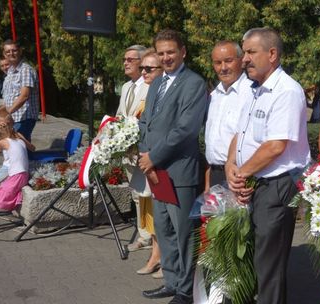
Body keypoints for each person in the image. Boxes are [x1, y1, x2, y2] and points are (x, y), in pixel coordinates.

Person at [226, 27, 310, 304]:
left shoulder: (287, 91)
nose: (244, 59)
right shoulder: (253, 90)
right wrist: (230, 165)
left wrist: (242, 172)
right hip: (252, 182)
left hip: (276, 186)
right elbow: (241, 134)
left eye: (251, 52)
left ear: (272, 54)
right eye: (244, 52)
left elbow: (276, 146)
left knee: (269, 267)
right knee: (250, 258)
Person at [139, 29, 207, 304]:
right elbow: (146, 122)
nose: (166, 57)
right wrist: (145, 155)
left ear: (182, 52)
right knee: (164, 230)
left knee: (183, 235)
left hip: (178, 170)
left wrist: (153, 157)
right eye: (161, 53)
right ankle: (171, 280)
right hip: (155, 171)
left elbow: (185, 129)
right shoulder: (156, 83)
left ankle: (185, 290)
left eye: (171, 52)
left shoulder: (193, 83)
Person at [116, 45, 154, 254]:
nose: (126, 62)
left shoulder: (150, 85)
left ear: (142, 62)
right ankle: (143, 232)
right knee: (136, 194)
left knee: (148, 194)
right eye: (125, 58)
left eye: (131, 59)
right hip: (127, 150)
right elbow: (120, 115)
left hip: (144, 150)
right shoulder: (125, 87)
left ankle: (149, 235)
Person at [131, 49, 164, 279]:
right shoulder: (150, 92)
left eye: (149, 68)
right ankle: (155, 254)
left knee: (161, 214)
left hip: (159, 162)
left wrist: (151, 157)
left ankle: (161, 258)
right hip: (145, 161)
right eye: (142, 68)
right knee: (149, 210)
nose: (143, 72)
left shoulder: (164, 93)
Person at [204, 40, 253, 191]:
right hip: (215, 175)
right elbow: (210, 145)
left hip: (240, 175)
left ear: (241, 61)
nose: (223, 68)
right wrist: (207, 184)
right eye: (218, 63)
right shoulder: (213, 96)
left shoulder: (251, 92)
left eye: (228, 61)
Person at [0, 121, 29, 228]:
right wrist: (21, 138)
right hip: (19, 174)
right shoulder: (19, 139)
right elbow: (32, 148)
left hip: (17, 175)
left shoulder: (4, 141)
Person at [0, 40, 39, 142]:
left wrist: (7, 112)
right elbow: (11, 98)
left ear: (20, 51)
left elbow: (24, 96)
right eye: (8, 52)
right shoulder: (11, 72)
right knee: (18, 149)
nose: (11, 53)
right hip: (15, 118)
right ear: (4, 54)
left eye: (14, 50)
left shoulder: (25, 70)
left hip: (25, 118)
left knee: (18, 147)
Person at [0, 112, 34, 203]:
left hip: (8, 168)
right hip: (11, 167)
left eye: (4, 124)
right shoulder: (7, 134)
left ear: (10, 123)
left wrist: (21, 141)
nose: (2, 126)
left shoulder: (12, 136)